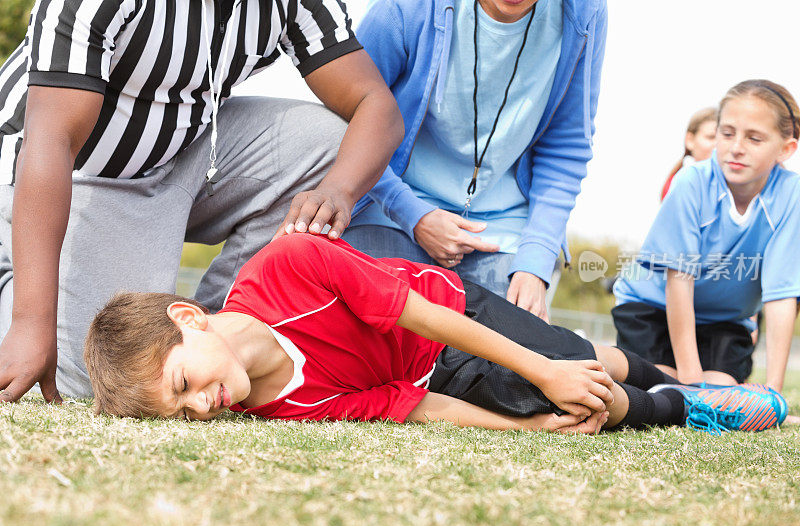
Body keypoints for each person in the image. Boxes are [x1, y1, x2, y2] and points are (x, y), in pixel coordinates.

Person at [0, 0, 405, 402]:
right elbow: (52, 138)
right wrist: (30, 323)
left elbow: (375, 102)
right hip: (74, 172)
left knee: (328, 146)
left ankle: (217, 332)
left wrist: (338, 190)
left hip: (185, 152)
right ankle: (11, 274)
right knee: (94, 379)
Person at [83, 233, 788, 434]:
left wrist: (544, 368)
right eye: (184, 412)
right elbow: (408, 402)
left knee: (566, 358)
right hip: (427, 373)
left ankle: (675, 377)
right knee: (567, 402)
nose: (203, 404)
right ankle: (691, 409)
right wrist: (531, 424)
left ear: (189, 316)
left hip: (453, 313)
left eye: (183, 384)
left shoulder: (289, 266)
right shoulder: (273, 405)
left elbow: (424, 318)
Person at [339, 0, 607, 322]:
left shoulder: (585, 11)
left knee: (517, 354)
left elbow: (566, 147)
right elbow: (346, 120)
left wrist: (535, 261)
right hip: (391, 207)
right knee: (373, 329)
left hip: (502, 228)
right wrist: (412, 213)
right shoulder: (407, 8)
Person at [613, 80, 800, 393]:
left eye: (754, 138)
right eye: (727, 133)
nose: (736, 147)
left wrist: (774, 393)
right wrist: (691, 383)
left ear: (786, 148)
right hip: (653, 310)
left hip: (724, 323)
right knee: (664, 387)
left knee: (724, 388)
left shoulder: (791, 194)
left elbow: (781, 294)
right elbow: (679, 281)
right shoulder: (691, 182)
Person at [661, 107, 718, 200]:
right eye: (711, 137)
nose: (717, 145)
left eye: (725, 137)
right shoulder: (680, 182)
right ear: (690, 140)